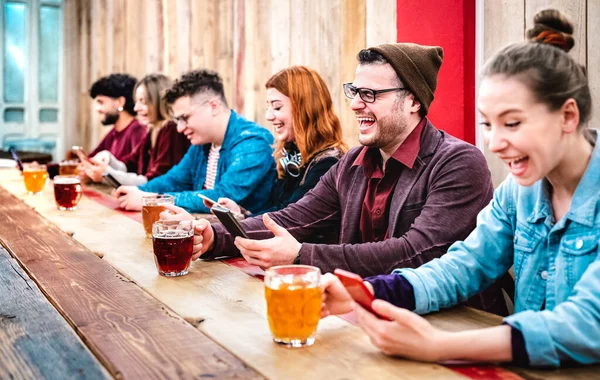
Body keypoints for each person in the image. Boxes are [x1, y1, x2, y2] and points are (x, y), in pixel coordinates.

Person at [320, 9, 599, 368]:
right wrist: (371, 292)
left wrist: (439, 346)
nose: (494, 143)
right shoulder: (519, 192)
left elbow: (585, 322)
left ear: (568, 116)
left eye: (511, 123)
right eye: (487, 123)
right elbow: (466, 264)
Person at [167, 44, 507, 315]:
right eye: (354, 91)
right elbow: (293, 218)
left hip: (454, 326)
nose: (356, 104)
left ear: (413, 100)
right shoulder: (353, 163)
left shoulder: (459, 162)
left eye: (370, 94)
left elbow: (417, 254)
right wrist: (215, 235)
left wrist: (302, 255)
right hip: (359, 313)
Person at [114, 69, 275, 213]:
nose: (180, 128)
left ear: (213, 106)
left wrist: (150, 200)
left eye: (185, 118)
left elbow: (220, 197)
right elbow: (174, 180)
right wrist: (137, 190)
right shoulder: (203, 142)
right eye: (178, 120)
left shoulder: (253, 142)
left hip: (248, 242)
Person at [210, 66, 347, 217]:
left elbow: (292, 218)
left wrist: (245, 221)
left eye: (277, 107)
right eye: (268, 107)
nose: (268, 116)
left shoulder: (328, 163)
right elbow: (278, 209)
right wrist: (241, 213)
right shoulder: (289, 152)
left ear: (305, 109)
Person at [83, 74, 190, 186]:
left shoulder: (171, 129)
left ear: (159, 102)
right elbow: (131, 164)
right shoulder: (153, 130)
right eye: (136, 101)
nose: (136, 108)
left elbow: (155, 181)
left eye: (143, 102)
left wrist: (108, 173)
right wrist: (108, 158)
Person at [84, 74, 146, 163]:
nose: (97, 109)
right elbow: (89, 160)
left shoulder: (138, 132)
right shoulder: (113, 133)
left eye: (101, 102)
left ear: (120, 102)